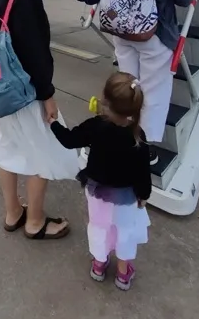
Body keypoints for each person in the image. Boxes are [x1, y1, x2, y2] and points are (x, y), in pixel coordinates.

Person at [74, 0, 194, 164]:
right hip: (155, 35)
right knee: (153, 92)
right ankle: (144, 148)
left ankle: (118, 134)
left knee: (126, 88)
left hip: (122, 31)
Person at [0, 0, 79, 240]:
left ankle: (13, 212)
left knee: (8, 145)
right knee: (44, 150)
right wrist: (47, 94)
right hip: (24, 90)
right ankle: (35, 222)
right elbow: (34, 52)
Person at [47, 72, 151, 290]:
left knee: (99, 225)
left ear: (104, 100)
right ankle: (123, 273)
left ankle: (99, 265)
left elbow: (69, 140)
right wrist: (143, 195)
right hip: (126, 197)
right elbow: (143, 173)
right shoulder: (138, 136)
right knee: (124, 230)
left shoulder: (95, 125)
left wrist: (54, 123)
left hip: (98, 192)